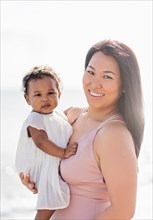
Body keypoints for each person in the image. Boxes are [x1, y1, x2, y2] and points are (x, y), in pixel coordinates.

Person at [20, 39, 144, 219]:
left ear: (124, 85)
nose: (95, 83)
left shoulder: (114, 134)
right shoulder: (72, 116)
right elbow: (38, 141)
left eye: (107, 76)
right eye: (91, 72)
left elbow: (123, 210)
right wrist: (31, 174)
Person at [15, 65, 78, 220]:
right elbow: (41, 142)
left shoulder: (55, 114)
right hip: (41, 166)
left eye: (51, 93)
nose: (45, 98)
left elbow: (58, 123)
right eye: (37, 94)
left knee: (55, 197)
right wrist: (63, 153)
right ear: (27, 99)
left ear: (59, 94)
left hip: (49, 161)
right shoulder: (35, 118)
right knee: (49, 203)